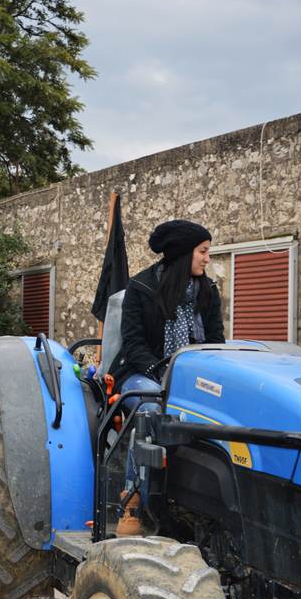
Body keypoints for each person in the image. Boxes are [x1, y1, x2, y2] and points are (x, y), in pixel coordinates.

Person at [107, 219, 224, 536]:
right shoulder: (141, 288)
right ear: (185, 254)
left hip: (192, 377)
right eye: (203, 252)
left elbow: (215, 344)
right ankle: (130, 500)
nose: (207, 259)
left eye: (208, 252)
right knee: (151, 407)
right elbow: (134, 345)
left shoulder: (208, 291)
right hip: (141, 373)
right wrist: (164, 375)